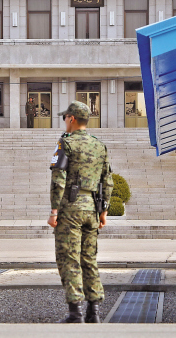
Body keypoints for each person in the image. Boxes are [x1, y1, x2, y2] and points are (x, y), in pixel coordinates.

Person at [48, 101, 113, 323]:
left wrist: (54, 210)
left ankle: (75, 312)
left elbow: (58, 179)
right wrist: (103, 210)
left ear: (72, 119)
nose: (64, 121)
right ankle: (94, 311)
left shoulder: (65, 144)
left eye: (65, 117)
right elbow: (108, 181)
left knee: (69, 258)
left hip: (71, 208)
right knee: (89, 258)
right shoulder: (99, 146)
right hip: (92, 208)